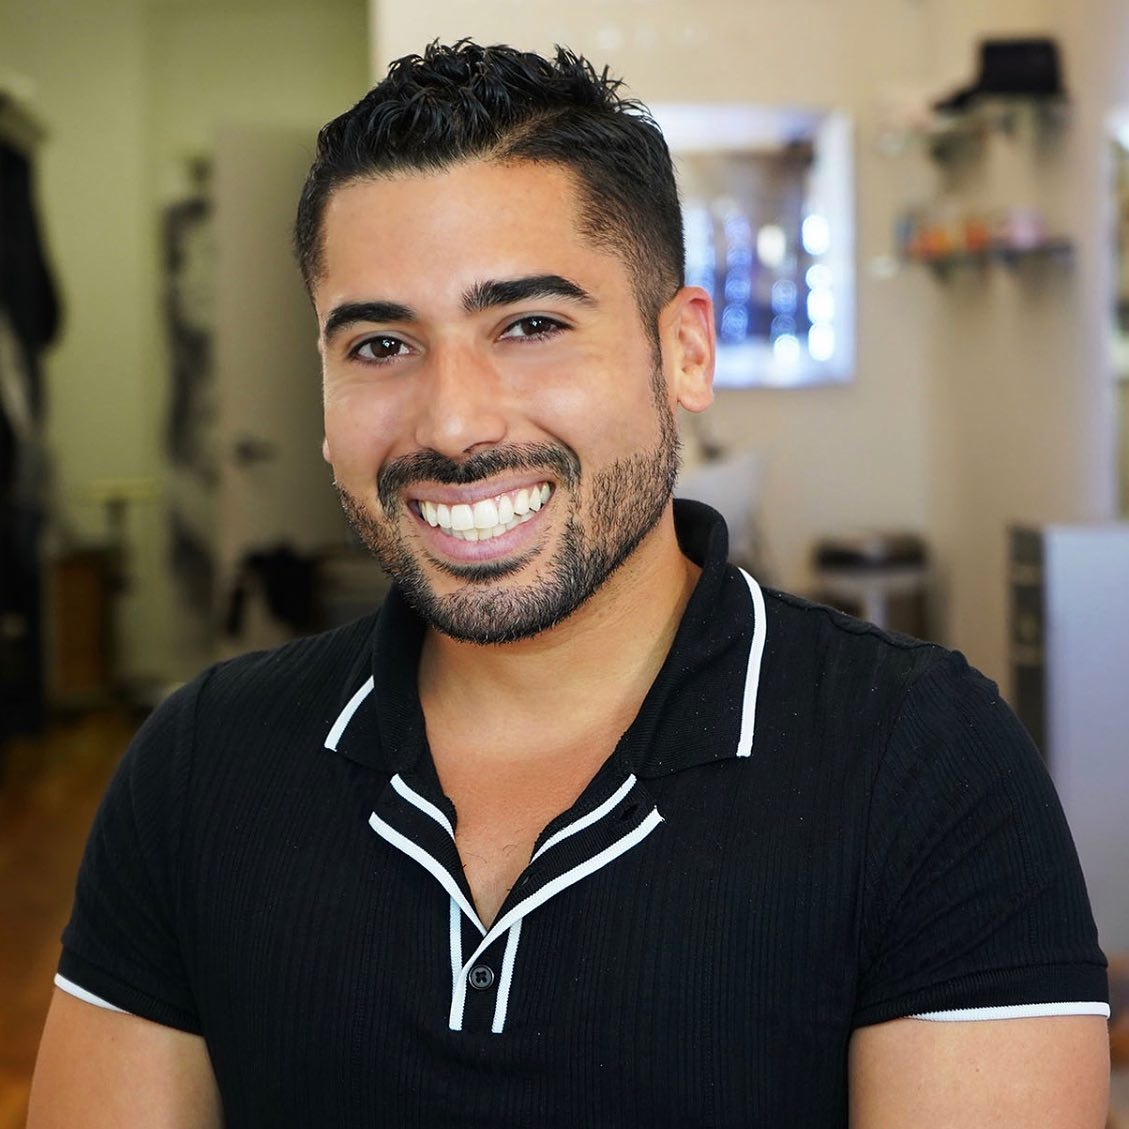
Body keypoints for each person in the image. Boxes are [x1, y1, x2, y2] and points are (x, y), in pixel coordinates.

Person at [30, 41, 1110, 1128]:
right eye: (380, 345)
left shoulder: (923, 763)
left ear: (684, 352)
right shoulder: (200, 765)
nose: (454, 423)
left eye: (531, 325)